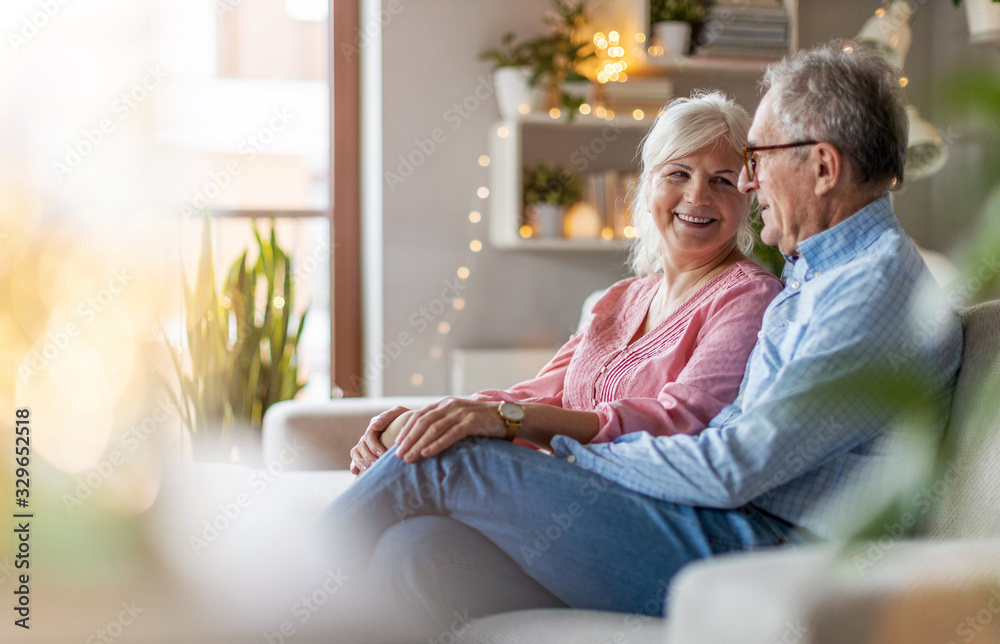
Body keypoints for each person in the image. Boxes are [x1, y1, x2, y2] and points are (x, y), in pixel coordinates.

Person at [312, 41, 963, 642]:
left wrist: (556, 451)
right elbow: (718, 439)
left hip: (765, 549)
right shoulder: (819, 274)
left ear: (822, 166)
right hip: (725, 525)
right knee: (417, 551)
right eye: (683, 173)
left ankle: (248, 613)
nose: (749, 181)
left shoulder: (869, 289)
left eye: (754, 160)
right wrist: (474, 424)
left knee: (454, 463)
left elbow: (727, 465)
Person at [350, 91, 782, 475]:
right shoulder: (620, 298)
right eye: (679, 173)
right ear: (648, 186)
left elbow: (677, 421)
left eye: (722, 180)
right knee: (412, 534)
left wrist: (501, 418)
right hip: (563, 481)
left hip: (630, 501)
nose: (697, 196)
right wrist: (435, 414)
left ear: (748, 198)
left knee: (425, 466)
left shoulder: (748, 297)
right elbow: (536, 396)